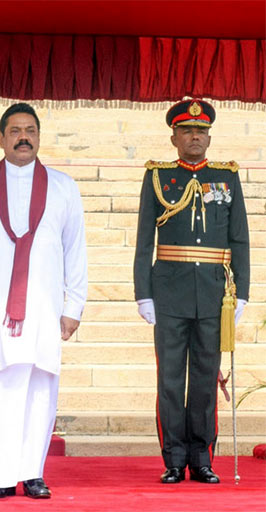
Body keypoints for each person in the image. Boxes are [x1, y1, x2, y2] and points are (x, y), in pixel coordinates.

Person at [0, 103, 87, 499]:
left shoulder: (64, 187)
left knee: (40, 391)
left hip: (44, 308)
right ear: (1, 138)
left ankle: (32, 472)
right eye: (14, 130)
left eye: (30, 130)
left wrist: (72, 307)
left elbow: (75, 250)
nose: (23, 137)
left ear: (39, 137)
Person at [134, 99, 250, 484]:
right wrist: (143, 292)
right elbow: (143, 242)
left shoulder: (227, 178)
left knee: (204, 378)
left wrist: (243, 292)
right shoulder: (158, 177)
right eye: (186, 131)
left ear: (209, 137)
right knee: (169, 379)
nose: (194, 136)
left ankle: (202, 458)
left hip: (214, 293)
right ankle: (173, 458)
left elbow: (240, 240)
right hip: (168, 292)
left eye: (200, 131)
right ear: (174, 137)